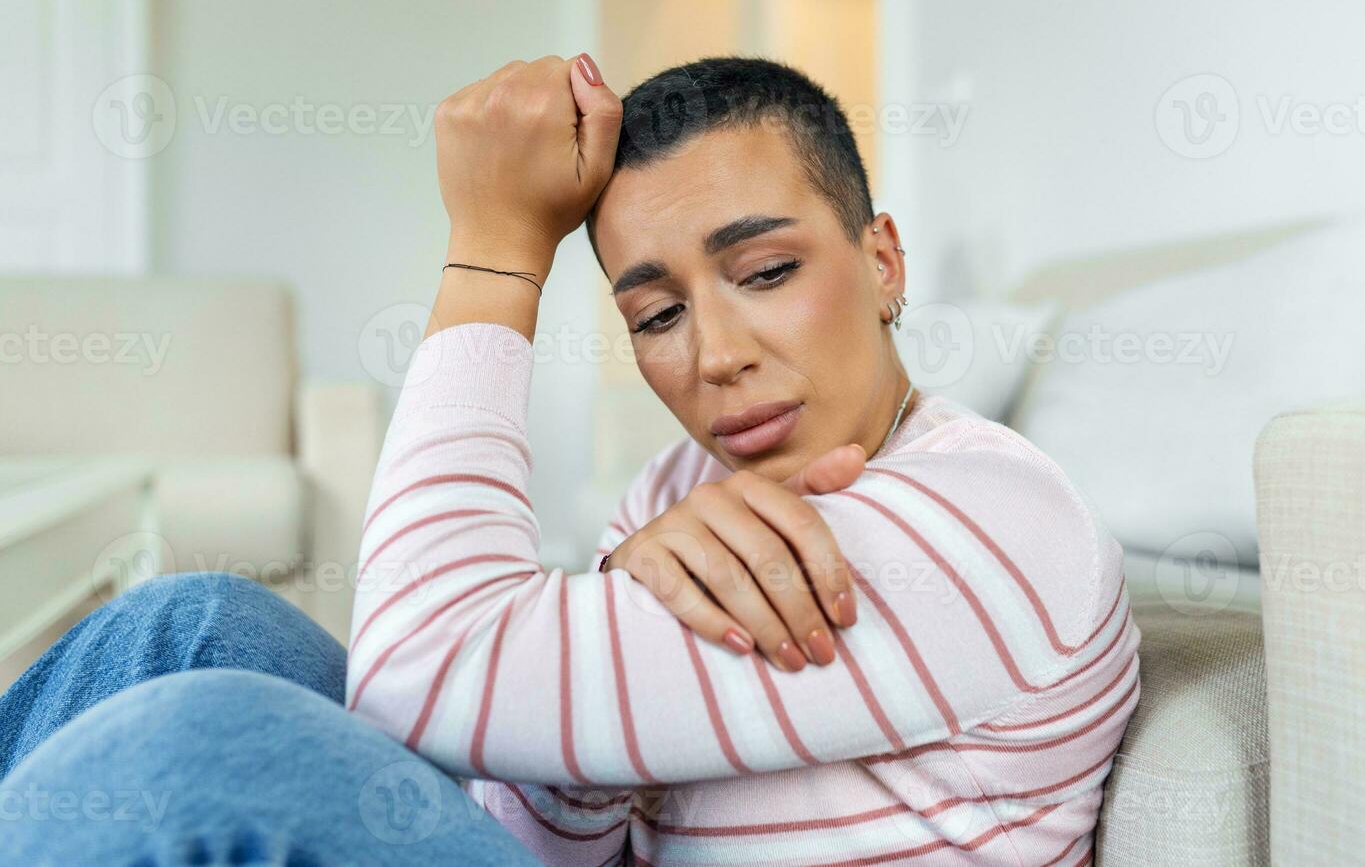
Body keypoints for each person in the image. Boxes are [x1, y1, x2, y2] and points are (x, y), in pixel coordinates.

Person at [0, 54, 1139, 866]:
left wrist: (495, 246)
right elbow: (538, 835)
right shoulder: (677, 497)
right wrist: (586, 728)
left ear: (883, 259)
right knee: (195, 625)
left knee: (207, 742)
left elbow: (417, 675)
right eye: (656, 315)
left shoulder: (988, 516)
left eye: (768, 271)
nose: (717, 356)